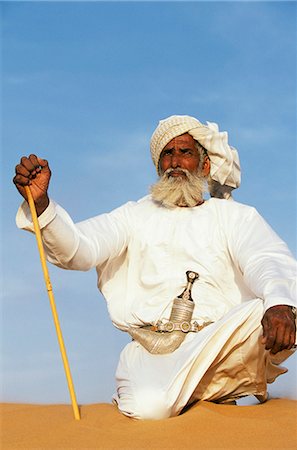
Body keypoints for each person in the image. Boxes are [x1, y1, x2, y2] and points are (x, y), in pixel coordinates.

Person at [13, 115, 296, 420]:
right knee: (150, 408)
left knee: (277, 305)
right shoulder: (133, 216)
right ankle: (201, 391)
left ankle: (205, 387)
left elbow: (266, 258)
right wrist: (42, 205)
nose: (175, 161)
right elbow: (80, 249)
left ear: (204, 166)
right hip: (156, 351)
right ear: (159, 167)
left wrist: (279, 304)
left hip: (220, 343)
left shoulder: (235, 216)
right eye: (167, 154)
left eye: (185, 153)